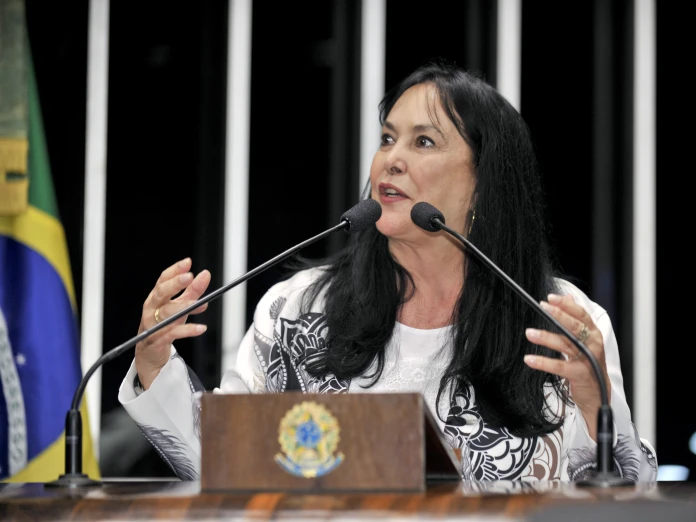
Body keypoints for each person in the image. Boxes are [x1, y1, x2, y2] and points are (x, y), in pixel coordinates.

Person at [119, 61, 658, 483]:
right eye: (386, 138)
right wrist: (154, 360)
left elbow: (626, 495)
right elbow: (220, 464)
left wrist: (598, 407)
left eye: (423, 141)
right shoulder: (299, 311)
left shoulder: (558, 320)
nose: (390, 160)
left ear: (486, 182)